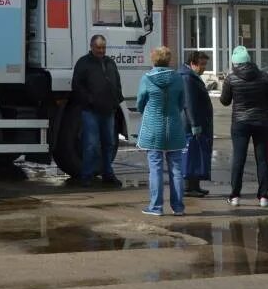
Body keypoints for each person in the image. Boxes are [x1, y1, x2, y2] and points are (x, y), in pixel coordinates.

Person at [220, 45, 268, 207]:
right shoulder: (264, 77)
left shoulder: (231, 78)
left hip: (240, 123)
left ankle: (235, 196)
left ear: (235, 63)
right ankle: (263, 196)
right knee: (262, 159)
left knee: (239, 159)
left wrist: (227, 82)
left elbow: (224, 101)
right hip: (262, 123)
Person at [136, 46, 188, 216]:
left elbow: (140, 103)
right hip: (174, 127)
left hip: (153, 127)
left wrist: (148, 111)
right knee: (176, 168)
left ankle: (156, 207)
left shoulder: (147, 79)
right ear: (169, 60)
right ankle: (178, 207)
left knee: (155, 167)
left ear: (154, 60)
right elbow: (182, 103)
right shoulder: (178, 79)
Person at [72, 34, 124, 187]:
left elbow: (117, 82)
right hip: (91, 111)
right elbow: (77, 86)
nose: (101, 51)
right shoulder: (83, 63)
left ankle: (108, 173)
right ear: (92, 47)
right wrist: (89, 100)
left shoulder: (110, 63)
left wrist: (117, 99)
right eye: (98, 48)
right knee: (91, 145)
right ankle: (87, 175)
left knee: (109, 143)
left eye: (103, 47)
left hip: (109, 110)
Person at [179, 51, 214, 197]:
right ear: (193, 63)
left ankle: (196, 185)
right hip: (191, 124)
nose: (204, 68)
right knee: (191, 155)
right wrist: (194, 124)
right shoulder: (188, 78)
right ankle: (189, 187)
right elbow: (189, 103)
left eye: (205, 64)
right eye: (202, 65)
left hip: (197, 122)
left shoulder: (192, 76)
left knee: (197, 154)